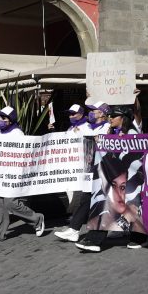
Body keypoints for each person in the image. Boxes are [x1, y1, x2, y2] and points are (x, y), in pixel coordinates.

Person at [76, 105, 143, 252]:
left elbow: (134, 159)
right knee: (105, 205)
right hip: (114, 178)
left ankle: (138, 238)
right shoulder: (111, 132)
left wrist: (121, 143)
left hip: (130, 180)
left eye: (114, 116)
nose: (110, 118)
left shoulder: (132, 133)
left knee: (133, 207)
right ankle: (94, 239)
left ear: (123, 118)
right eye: (110, 116)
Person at [0, 106, 45, 244]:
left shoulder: (17, 134)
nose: (0, 120)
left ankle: (37, 219)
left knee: (11, 204)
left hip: (13, 176)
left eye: (3, 118)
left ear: (10, 120)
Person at [54, 98, 110, 243]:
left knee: (102, 201)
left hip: (102, 170)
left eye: (93, 111)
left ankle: (125, 230)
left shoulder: (107, 127)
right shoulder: (89, 127)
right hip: (88, 169)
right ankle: (74, 230)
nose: (90, 113)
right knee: (85, 200)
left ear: (102, 114)